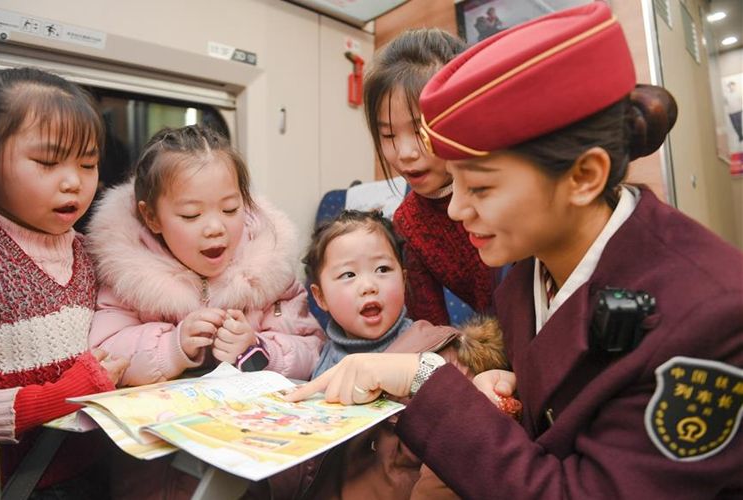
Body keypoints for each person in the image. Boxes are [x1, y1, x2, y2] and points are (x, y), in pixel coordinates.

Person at [287, 3, 743, 498]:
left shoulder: (712, 318)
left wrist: (424, 380)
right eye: (454, 183)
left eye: (480, 189)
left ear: (583, 177)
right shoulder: (528, 265)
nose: (457, 210)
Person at [252, 209, 516, 499]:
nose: (369, 286)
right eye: (348, 275)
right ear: (320, 297)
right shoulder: (320, 357)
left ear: (403, 279)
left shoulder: (437, 354)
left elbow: (452, 463)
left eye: (382, 270)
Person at [0, 67, 128, 495]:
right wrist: (65, 394)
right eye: (48, 162)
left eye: (88, 164)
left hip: (92, 469)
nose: (74, 181)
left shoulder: (89, 250)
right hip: (10, 483)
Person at [87, 124, 324, 386]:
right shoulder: (127, 274)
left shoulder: (269, 266)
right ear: (151, 217)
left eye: (231, 209)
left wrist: (259, 350)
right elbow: (104, 354)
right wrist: (172, 347)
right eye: (192, 215)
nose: (215, 228)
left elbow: (313, 350)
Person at [364, 28, 498, 325]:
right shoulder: (409, 223)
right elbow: (430, 329)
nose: (405, 153)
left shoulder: (506, 191)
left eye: (420, 131)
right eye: (388, 135)